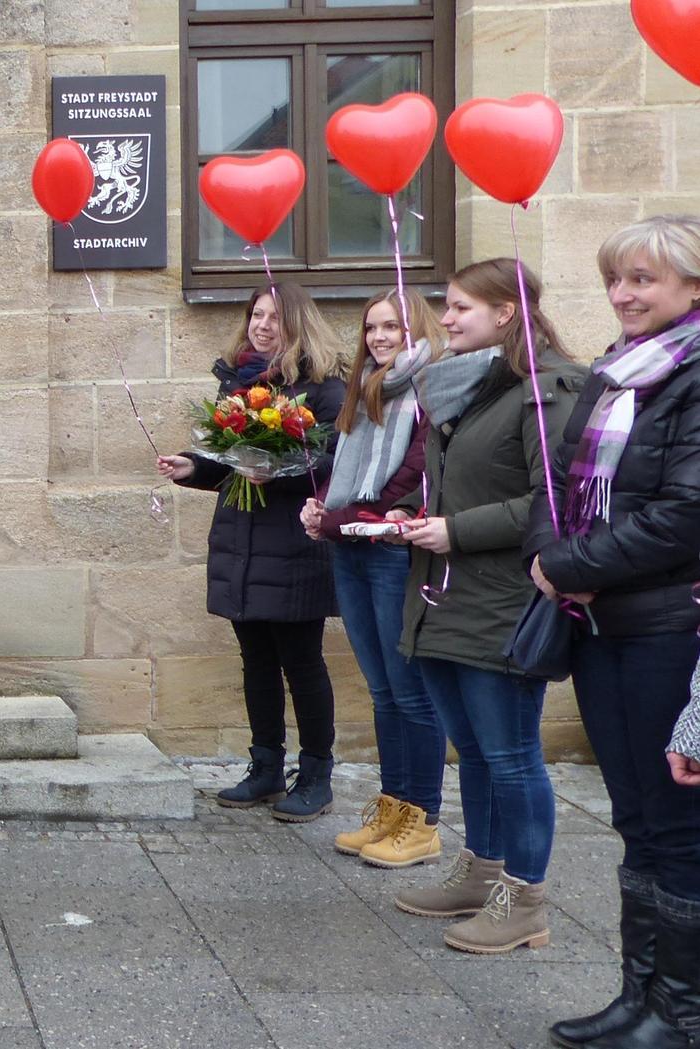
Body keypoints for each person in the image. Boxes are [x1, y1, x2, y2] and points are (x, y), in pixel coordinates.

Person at [526, 215, 700, 1046]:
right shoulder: (616, 371)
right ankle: (639, 996)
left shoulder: (692, 373)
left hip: (668, 625)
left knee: (675, 821)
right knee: (631, 813)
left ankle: (681, 1008)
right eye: (615, 279)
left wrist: (572, 563)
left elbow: (685, 514)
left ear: (692, 287)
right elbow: (556, 482)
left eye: (643, 279)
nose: (623, 294)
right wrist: (548, 553)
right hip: (600, 622)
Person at [383, 258, 583, 955]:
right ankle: (481, 872)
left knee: (510, 755)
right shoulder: (473, 385)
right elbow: (464, 484)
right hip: (444, 599)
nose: (445, 318)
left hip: (500, 601)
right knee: (471, 750)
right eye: (445, 304)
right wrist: (411, 513)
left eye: (460, 307)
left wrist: (454, 530)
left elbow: (551, 500)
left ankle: (521, 900)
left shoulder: (546, 388)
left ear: (506, 313)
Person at [156, 283, 347, 821]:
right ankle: (265, 768)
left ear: (298, 324)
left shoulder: (325, 389)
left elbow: (332, 464)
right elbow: (228, 457)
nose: (262, 325)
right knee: (256, 661)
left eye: (274, 317)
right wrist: (195, 467)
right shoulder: (237, 382)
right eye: (256, 315)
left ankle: (315, 775)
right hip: (241, 540)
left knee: (302, 663)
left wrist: (278, 475)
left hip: (293, 543)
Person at [300, 289, 448, 868]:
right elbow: (343, 468)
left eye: (392, 327)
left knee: (411, 691)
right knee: (383, 689)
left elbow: (414, 472)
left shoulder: (431, 390)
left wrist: (337, 519)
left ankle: (424, 819)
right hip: (351, 549)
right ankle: (393, 804)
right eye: (372, 328)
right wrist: (319, 508)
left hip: (391, 552)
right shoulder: (363, 394)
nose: (380, 338)